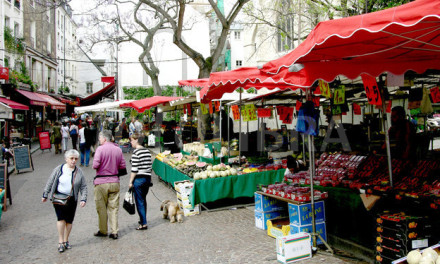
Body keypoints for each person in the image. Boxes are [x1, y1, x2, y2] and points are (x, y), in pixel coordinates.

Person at [42, 149, 87, 253]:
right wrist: (45, 193)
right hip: (58, 197)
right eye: (71, 158)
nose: (73, 161)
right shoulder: (59, 169)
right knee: (61, 218)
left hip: (72, 199)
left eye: (75, 159)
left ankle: (66, 239)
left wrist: (83, 198)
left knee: (69, 221)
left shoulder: (79, 172)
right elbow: (50, 181)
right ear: (66, 159)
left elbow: (84, 186)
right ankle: (60, 241)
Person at [92, 130, 126, 239]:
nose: (99, 140)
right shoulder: (118, 149)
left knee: (101, 208)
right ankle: (114, 231)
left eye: (100, 139)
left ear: (104, 139)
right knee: (114, 208)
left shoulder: (100, 149)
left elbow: (95, 165)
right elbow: (122, 166)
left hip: (101, 182)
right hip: (115, 182)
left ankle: (103, 230)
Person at [128, 133, 152, 230]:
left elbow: (134, 169)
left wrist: (130, 182)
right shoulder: (147, 151)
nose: (131, 142)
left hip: (139, 179)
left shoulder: (136, 153)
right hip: (147, 178)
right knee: (143, 200)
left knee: (139, 201)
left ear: (136, 140)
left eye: (132, 140)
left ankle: (143, 223)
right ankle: (143, 219)